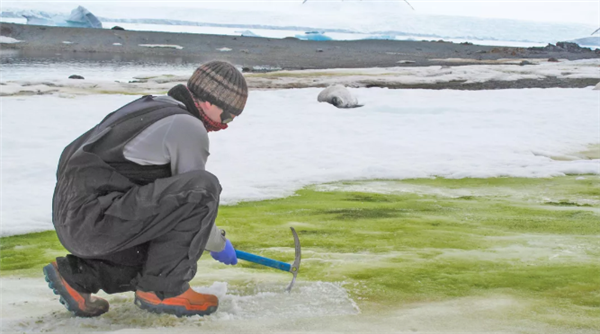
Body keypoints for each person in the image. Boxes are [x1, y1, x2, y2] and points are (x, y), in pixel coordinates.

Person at [43, 60, 248, 318]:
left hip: (74, 217)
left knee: (159, 249)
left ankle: (78, 277)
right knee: (204, 188)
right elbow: (194, 199)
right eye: (228, 115)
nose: (226, 124)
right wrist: (218, 242)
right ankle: (164, 290)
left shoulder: (153, 106)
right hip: (96, 219)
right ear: (209, 101)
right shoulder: (187, 125)